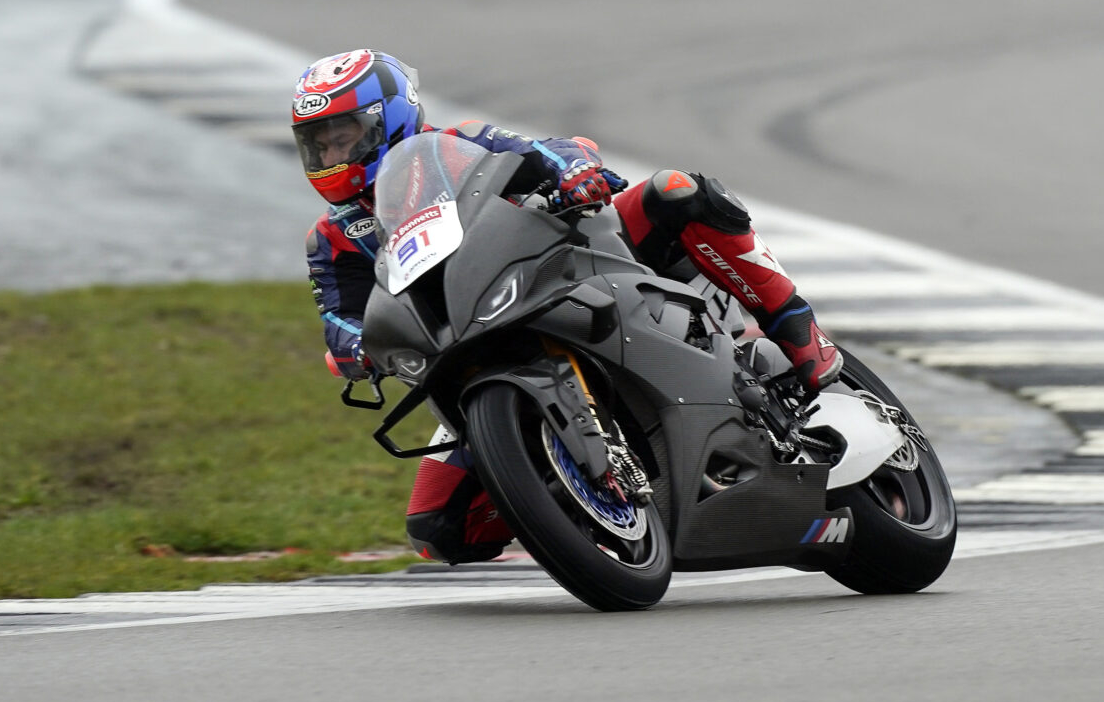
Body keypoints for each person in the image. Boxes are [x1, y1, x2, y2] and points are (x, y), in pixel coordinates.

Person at [293, 49, 843, 564]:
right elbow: (340, 316)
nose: (331, 156)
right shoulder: (333, 239)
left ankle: (798, 331)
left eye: (344, 139)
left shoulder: (458, 144)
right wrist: (356, 348)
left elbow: (546, 149)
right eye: (318, 146)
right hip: (464, 345)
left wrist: (574, 170)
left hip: (570, 263)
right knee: (440, 531)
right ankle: (564, 487)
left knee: (677, 190)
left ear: (389, 120)